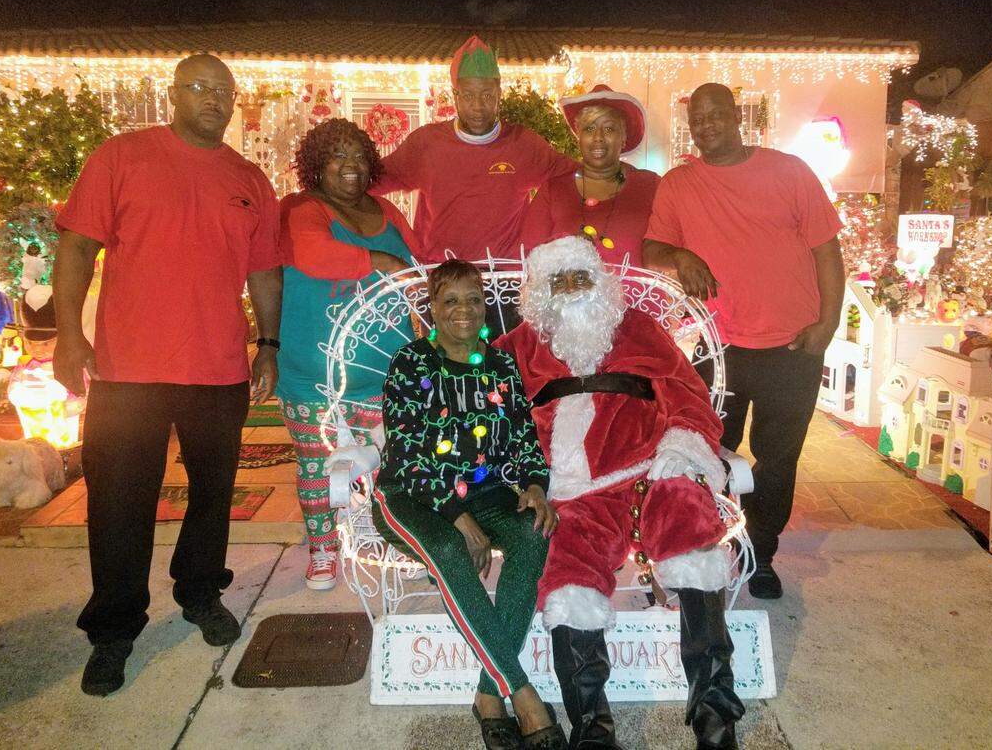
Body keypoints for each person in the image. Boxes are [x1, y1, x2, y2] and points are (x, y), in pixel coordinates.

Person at [52, 53, 282, 697]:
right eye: (201, 88)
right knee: (121, 500)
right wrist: (70, 334)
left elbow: (264, 269)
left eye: (225, 92)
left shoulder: (248, 178)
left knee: (214, 493)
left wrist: (267, 344)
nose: (214, 100)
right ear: (174, 94)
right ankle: (115, 628)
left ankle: (201, 591)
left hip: (217, 367)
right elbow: (76, 245)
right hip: (130, 369)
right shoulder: (122, 157)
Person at [496, 236, 745, 750]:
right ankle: (593, 730)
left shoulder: (637, 328)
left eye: (580, 278)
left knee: (687, 519)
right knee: (567, 582)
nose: (569, 290)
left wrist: (683, 447)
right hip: (571, 494)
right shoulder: (519, 344)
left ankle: (715, 717)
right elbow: (469, 391)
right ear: (538, 292)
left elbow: (687, 394)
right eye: (556, 281)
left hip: (650, 468)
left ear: (600, 283)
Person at [642, 83, 844, 600]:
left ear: (737, 117)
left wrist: (829, 321)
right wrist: (681, 257)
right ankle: (712, 544)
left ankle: (763, 550)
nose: (706, 124)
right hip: (718, 347)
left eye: (716, 114)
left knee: (778, 457)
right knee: (709, 451)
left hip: (793, 344)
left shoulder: (789, 172)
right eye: (698, 117)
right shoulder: (679, 184)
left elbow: (827, 250)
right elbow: (651, 249)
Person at [373, 260, 567, 750]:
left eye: (473, 299)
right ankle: (520, 693)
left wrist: (535, 486)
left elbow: (523, 436)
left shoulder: (500, 364)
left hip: (486, 492)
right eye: (450, 300)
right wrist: (460, 521)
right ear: (433, 308)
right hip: (412, 496)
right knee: (447, 546)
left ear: (485, 307)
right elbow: (408, 455)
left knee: (531, 533)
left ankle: (486, 695)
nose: (463, 310)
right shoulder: (411, 362)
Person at [277, 118, 418, 590]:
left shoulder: (388, 213)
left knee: (391, 464)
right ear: (316, 166)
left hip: (387, 372)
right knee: (318, 465)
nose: (350, 166)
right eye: (337, 156)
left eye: (359, 155)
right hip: (314, 374)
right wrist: (382, 262)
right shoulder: (302, 208)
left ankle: (396, 538)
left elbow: (417, 270)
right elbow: (313, 255)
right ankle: (322, 549)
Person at [379, 36, 576, 266]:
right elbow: (372, 181)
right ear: (455, 96)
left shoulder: (523, 144)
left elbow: (574, 179)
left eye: (487, 95)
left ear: (499, 94)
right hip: (442, 277)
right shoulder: (426, 144)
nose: (478, 106)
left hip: (503, 279)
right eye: (469, 96)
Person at [522, 85, 658, 267]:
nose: (598, 137)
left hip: (639, 295)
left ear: (624, 137)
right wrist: (565, 248)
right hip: (570, 295)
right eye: (589, 129)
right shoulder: (554, 190)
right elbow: (529, 256)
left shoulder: (650, 186)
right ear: (578, 136)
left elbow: (671, 242)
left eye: (609, 129)